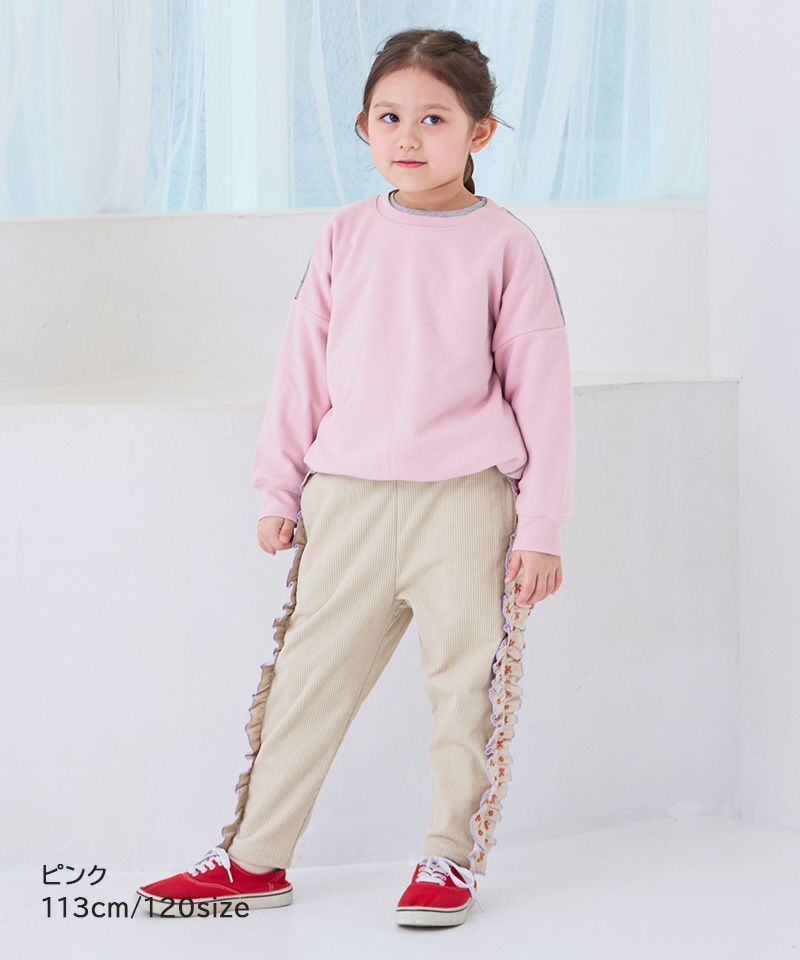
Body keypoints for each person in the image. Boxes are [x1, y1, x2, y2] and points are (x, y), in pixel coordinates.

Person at [137, 27, 575, 928]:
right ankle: (254, 858)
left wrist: (540, 528)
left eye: (434, 119)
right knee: (307, 679)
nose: (408, 136)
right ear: (364, 127)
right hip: (348, 500)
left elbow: (544, 397)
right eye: (389, 117)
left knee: (465, 686)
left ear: (480, 133)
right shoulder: (344, 235)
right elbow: (300, 369)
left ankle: (449, 857)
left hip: (466, 504)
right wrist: (278, 487)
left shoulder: (506, 246)